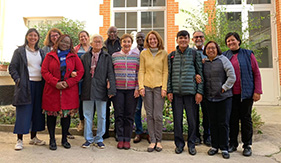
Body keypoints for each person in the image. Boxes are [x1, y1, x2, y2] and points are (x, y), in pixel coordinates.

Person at [41, 35, 84, 150]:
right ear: (58, 42)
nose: (65, 44)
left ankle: (64, 139)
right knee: (51, 117)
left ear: (71, 45)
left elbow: (80, 71)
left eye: (67, 42)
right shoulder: (50, 56)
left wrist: (68, 82)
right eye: (63, 42)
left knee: (66, 117)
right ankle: (52, 139)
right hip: (52, 90)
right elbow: (44, 71)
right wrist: (55, 82)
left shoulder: (74, 56)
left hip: (68, 91)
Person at [223, 32, 262, 157]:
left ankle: (247, 145)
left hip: (246, 94)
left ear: (238, 41)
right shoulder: (225, 56)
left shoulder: (248, 54)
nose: (231, 43)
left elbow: (256, 73)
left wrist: (257, 91)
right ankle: (233, 143)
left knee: (246, 119)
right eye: (228, 41)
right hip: (230, 94)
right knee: (232, 120)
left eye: (233, 40)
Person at [167, 30, 203, 155]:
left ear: (189, 40)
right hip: (176, 94)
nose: (183, 40)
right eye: (180, 38)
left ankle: (192, 144)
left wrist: (199, 92)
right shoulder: (171, 56)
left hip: (191, 93)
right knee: (177, 121)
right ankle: (179, 144)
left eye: (185, 38)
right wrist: (170, 91)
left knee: (192, 121)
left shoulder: (194, 54)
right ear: (177, 40)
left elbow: (200, 74)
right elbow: (169, 75)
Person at [9, 28, 46, 150]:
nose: (33, 37)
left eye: (35, 35)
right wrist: (18, 80)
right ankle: (19, 140)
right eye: (30, 35)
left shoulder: (41, 52)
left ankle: (33, 138)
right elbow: (12, 67)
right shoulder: (19, 51)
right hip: (25, 85)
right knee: (23, 112)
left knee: (36, 112)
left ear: (38, 38)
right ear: (26, 37)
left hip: (39, 85)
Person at [80, 34, 116, 149]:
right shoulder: (85, 57)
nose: (98, 43)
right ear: (91, 44)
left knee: (102, 116)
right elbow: (81, 73)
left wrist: (111, 89)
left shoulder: (107, 57)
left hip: (101, 89)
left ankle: (99, 138)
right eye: (95, 41)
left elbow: (111, 73)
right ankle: (88, 139)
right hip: (87, 89)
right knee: (87, 115)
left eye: (100, 41)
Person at [203, 41, 236, 159]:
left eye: (213, 48)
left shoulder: (223, 60)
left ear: (217, 49)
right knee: (213, 123)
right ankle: (214, 146)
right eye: (208, 48)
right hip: (209, 98)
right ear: (205, 50)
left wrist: (224, 88)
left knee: (223, 123)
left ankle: (224, 148)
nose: (211, 50)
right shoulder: (204, 62)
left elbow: (232, 76)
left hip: (224, 98)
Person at [138, 31, 168, 152]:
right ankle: (153, 141)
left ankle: (159, 141)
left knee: (158, 115)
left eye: (154, 39)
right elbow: (141, 71)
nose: (152, 41)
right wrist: (141, 87)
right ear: (147, 41)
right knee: (149, 115)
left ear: (158, 40)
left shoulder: (164, 53)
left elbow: (165, 71)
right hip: (147, 87)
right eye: (150, 39)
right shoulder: (144, 54)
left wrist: (164, 88)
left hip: (159, 87)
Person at [112, 34, 139, 150]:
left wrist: (137, 87)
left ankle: (127, 139)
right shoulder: (114, 56)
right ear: (121, 43)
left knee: (129, 115)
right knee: (119, 115)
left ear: (131, 43)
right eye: (124, 42)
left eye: (128, 42)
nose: (126, 44)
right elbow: (111, 73)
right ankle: (120, 137)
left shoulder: (137, 56)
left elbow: (139, 73)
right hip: (118, 90)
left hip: (132, 90)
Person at [192, 31, 211, 146]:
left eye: (200, 37)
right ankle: (196, 136)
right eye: (196, 37)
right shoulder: (190, 52)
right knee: (194, 113)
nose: (198, 38)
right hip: (194, 88)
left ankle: (207, 136)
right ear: (193, 39)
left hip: (208, 87)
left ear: (204, 38)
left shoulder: (209, 51)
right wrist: (194, 74)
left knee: (207, 114)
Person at [103, 26, 122, 139]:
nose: (112, 34)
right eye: (110, 32)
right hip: (105, 79)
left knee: (117, 109)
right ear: (107, 33)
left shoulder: (121, 44)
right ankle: (105, 132)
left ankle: (117, 132)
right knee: (105, 108)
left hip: (118, 79)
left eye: (114, 32)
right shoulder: (104, 45)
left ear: (117, 32)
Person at [132, 31, 150, 144]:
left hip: (148, 84)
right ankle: (139, 132)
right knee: (137, 109)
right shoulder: (132, 52)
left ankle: (149, 132)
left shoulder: (149, 52)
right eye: (138, 38)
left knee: (149, 110)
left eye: (142, 38)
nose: (140, 40)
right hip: (136, 84)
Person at [74, 30, 91, 132]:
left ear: (88, 37)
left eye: (85, 36)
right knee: (81, 100)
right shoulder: (76, 49)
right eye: (81, 37)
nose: (83, 38)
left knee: (89, 99)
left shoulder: (93, 48)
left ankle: (89, 122)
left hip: (91, 79)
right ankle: (82, 121)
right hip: (80, 79)